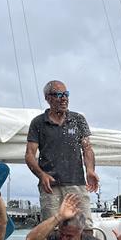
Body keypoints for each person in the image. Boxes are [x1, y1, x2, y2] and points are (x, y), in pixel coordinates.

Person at [25, 80, 98, 225]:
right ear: (48, 98)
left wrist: (90, 170)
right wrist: (41, 174)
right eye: (58, 94)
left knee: (85, 226)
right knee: (51, 228)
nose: (64, 98)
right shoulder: (38, 123)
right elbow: (29, 154)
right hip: (50, 187)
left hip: (77, 184)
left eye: (66, 94)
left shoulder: (78, 120)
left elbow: (87, 148)